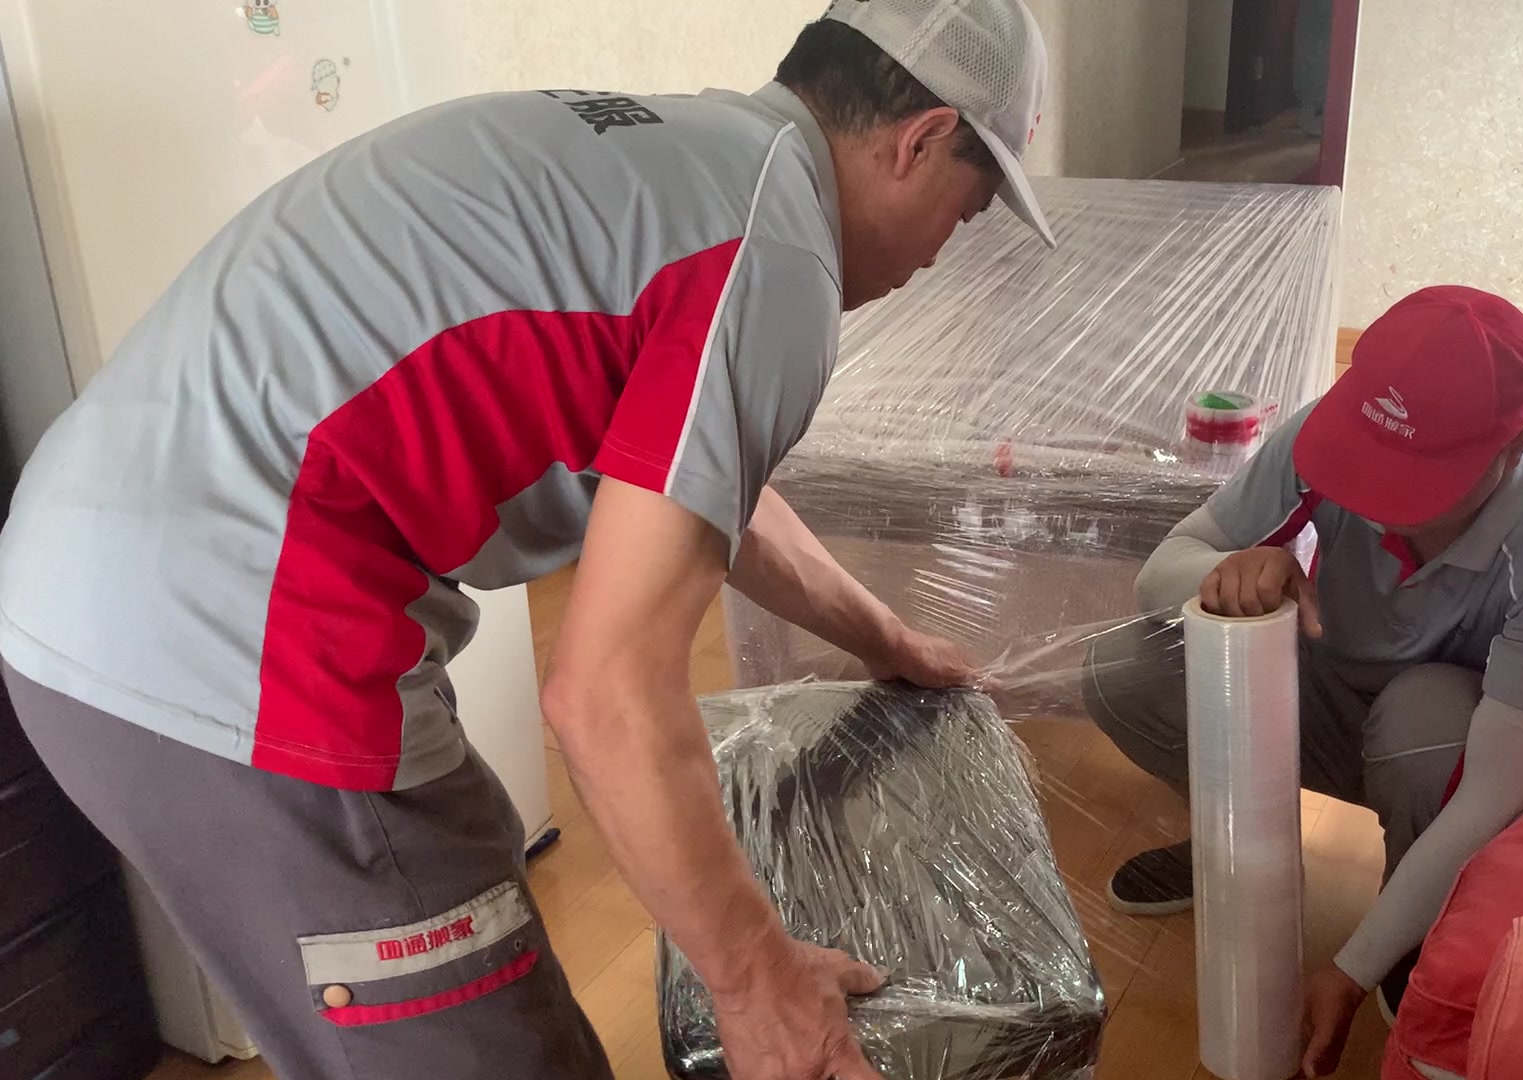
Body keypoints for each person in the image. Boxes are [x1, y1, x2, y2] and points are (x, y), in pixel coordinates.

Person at [0, 2, 1054, 1077]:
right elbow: (606, 697)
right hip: (236, 627)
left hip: (92, 583)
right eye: (967, 212)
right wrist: (759, 982)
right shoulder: (776, 254)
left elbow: (700, 484)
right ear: (921, 141)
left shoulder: (701, 158)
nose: (943, 252)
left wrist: (881, 636)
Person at [1084, 286, 1523, 1076]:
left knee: (1422, 723)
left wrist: (1353, 965)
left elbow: (1498, 790)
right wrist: (1229, 574)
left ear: (1515, 447)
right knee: (1127, 671)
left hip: (1438, 745)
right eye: (1372, 463)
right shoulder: (1323, 436)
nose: (1378, 502)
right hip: (1325, 683)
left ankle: (1417, 926)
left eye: (1418, 479)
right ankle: (1227, 849)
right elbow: (1164, 568)